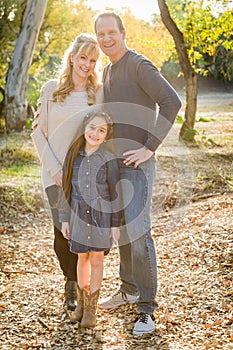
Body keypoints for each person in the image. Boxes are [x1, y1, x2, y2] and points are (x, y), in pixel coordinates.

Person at [94, 12, 182, 336]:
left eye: (110, 32)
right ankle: (128, 289)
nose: (106, 39)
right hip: (115, 164)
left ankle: (146, 310)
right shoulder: (108, 70)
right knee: (124, 231)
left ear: (123, 32)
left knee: (139, 233)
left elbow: (171, 102)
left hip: (138, 165)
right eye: (100, 34)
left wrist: (150, 147)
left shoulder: (138, 65)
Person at [31, 33, 102, 311]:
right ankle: (69, 281)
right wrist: (55, 169)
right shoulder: (51, 89)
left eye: (93, 60)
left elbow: (102, 133)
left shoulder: (98, 93)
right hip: (54, 174)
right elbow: (37, 132)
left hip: (85, 175)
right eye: (83, 57)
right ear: (72, 57)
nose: (87, 64)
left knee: (84, 232)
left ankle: (83, 286)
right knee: (62, 234)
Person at [59, 110, 121, 328]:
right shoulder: (73, 154)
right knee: (81, 258)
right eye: (92, 127)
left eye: (101, 130)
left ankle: (91, 310)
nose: (95, 133)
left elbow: (115, 193)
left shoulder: (108, 158)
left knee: (97, 259)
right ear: (85, 127)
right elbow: (65, 189)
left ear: (106, 135)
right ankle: (81, 305)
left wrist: (115, 224)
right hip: (77, 214)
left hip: (100, 216)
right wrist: (64, 219)